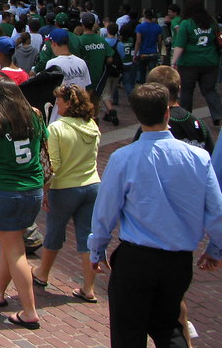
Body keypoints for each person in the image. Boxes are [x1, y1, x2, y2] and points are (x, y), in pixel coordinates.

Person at [89, 82, 222, 347]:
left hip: (136, 258)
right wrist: (215, 248)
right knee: (169, 328)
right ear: (167, 113)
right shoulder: (198, 157)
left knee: (128, 333)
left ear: (137, 116)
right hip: (178, 260)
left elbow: (105, 210)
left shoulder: (123, 158)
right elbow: (216, 211)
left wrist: (97, 248)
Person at [0, 77, 47, 330]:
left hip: (5, 189)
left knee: (16, 251)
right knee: (10, 242)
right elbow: (43, 145)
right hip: (33, 188)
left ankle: (29, 312)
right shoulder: (34, 116)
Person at [30, 84, 100, 303]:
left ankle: (42, 273)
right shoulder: (92, 125)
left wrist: (46, 190)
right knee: (87, 236)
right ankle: (89, 287)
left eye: (59, 100)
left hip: (65, 188)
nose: (56, 104)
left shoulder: (58, 129)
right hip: (92, 185)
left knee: (54, 233)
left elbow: (54, 165)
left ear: (69, 103)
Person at [170, 0, 222, 126]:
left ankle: (186, 117)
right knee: (210, 90)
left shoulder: (186, 23)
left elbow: (180, 45)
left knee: (187, 91)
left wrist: (173, 62)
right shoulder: (212, 22)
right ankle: (218, 115)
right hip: (210, 61)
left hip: (189, 63)